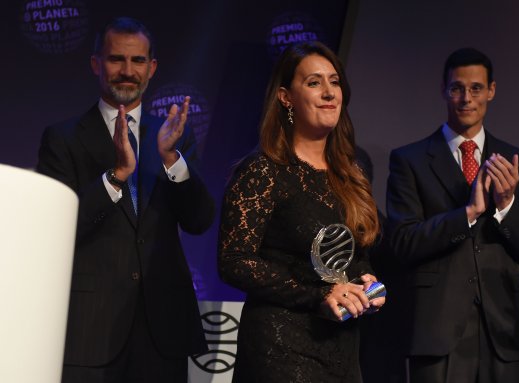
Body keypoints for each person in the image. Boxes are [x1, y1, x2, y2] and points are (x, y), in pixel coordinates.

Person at [37, 17, 215, 383]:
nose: (127, 71)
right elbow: (56, 230)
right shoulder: (62, 138)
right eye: (116, 59)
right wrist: (116, 175)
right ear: (96, 64)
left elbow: (199, 220)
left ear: (152, 68)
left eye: (137, 61)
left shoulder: (174, 137)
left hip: (161, 330)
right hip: (90, 330)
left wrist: (171, 159)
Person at [217, 41, 385, 383]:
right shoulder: (263, 171)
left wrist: (365, 283)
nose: (329, 93)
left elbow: (354, 255)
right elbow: (234, 260)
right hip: (279, 347)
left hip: (341, 349)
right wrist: (318, 295)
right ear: (285, 97)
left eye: (334, 82)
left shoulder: (352, 171)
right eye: (314, 83)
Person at [385, 47, 519, 382]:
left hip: (502, 331)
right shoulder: (409, 160)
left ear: (491, 91)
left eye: (475, 88)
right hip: (436, 332)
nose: (466, 98)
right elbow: (402, 242)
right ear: (444, 90)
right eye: (457, 88)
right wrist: (468, 213)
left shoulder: (518, 161)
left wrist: (506, 205)